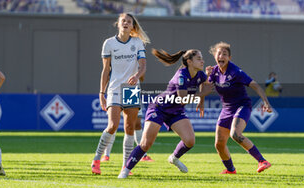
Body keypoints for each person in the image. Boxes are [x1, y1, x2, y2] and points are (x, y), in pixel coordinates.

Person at [118, 48, 213, 178]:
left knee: (190, 141)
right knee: (146, 144)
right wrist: (202, 94)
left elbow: (204, 82)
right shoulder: (181, 75)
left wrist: (201, 102)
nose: (202, 61)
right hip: (160, 108)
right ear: (189, 61)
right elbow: (182, 98)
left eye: (202, 58)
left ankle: (174, 158)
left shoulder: (199, 74)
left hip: (176, 111)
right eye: (199, 58)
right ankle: (126, 170)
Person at [91, 13, 150, 175]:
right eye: (123, 21)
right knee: (112, 125)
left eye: (129, 22)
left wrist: (137, 76)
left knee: (130, 127)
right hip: (115, 88)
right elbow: (105, 70)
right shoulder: (109, 43)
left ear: (133, 27)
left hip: (131, 89)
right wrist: (101, 92)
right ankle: (96, 159)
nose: (126, 23)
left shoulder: (137, 43)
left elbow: (143, 66)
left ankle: (126, 166)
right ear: (118, 24)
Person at [205, 42, 272, 174]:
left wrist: (266, 102)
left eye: (225, 54)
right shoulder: (213, 71)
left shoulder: (236, 72)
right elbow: (205, 89)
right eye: (219, 53)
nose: (221, 56)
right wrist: (207, 76)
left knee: (235, 134)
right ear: (214, 56)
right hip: (226, 109)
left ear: (229, 57)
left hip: (242, 106)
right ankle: (231, 170)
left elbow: (256, 86)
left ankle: (262, 161)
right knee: (219, 144)